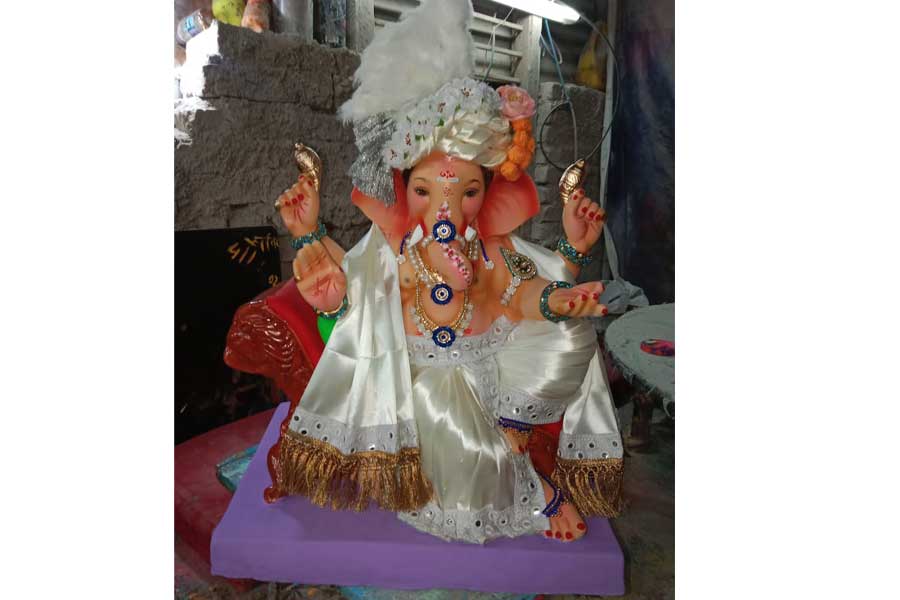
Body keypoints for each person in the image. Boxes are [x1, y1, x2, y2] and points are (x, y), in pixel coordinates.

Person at [252, 0, 623, 544]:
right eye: (425, 190)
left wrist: (556, 295)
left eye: (467, 192)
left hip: (489, 368)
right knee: (451, 427)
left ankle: (514, 432)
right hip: (422, 379)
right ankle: (528, 486)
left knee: (576, 335)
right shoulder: (394, 251)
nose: (446, 210)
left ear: (488, 196)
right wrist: (310, 241)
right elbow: (354, 311)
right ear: (404, 190)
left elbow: (519, 293)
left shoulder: (487, 249)